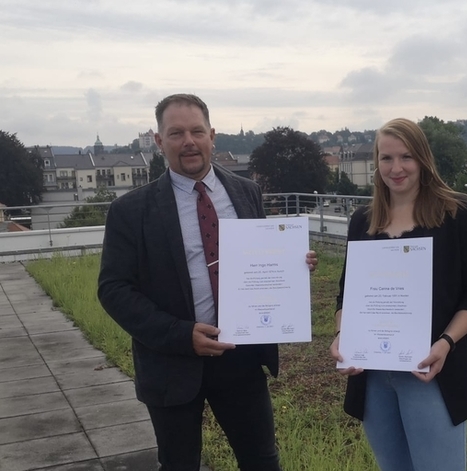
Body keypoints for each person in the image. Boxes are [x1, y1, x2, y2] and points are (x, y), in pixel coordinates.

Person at [98, 93, 317, 471]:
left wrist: (292, 265)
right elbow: (113, 289)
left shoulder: (246, 192)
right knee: (180, 464)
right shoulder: (130, 211)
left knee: (262, 460)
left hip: (241, 356)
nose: (189, 142)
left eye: (197, 131)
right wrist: (181, 335)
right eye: (176, 133)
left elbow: (261, 260)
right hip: (172, 361)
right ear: (158, 140)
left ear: (212, 135)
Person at [329, 118, 467, 471]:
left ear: (423, 159)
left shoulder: (457, 213)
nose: (396, 168)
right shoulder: (363, 221)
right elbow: (347, 297)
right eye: (386, 158)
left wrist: (446, 342)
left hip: (433, 372)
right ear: (376, 163)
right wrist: (344, 336)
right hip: (373, 376)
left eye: (406, 157)